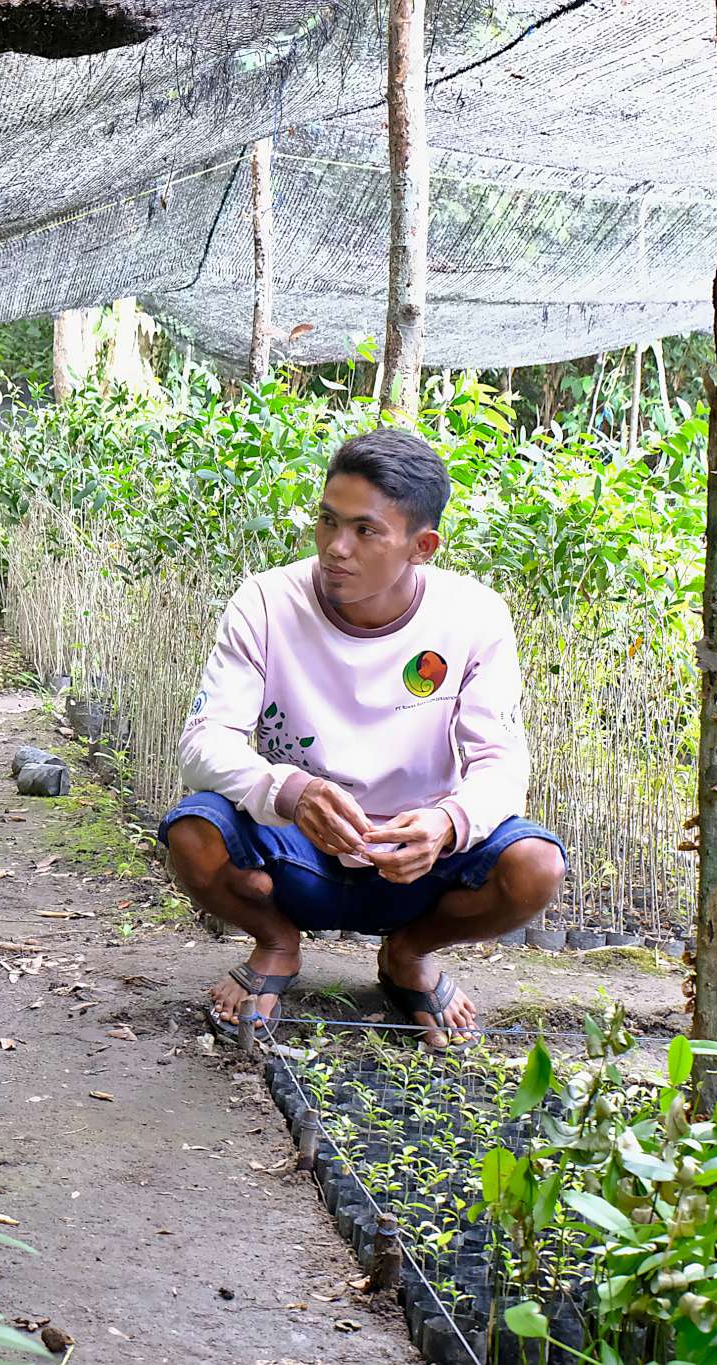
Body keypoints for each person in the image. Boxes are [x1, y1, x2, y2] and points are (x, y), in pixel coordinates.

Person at [159, 428, 567, 1050]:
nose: (336, 547)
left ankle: (409, 953)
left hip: (415, 862)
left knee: (536, 867)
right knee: (194, 831)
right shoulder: (266, 603)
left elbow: (502, 762)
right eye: (327, 520)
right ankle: (276, 941)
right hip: (295, 848)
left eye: (365, 530)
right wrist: (291, 791)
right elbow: (202, 742)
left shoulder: (474, 616)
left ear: (422, 546)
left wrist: (447, 824)